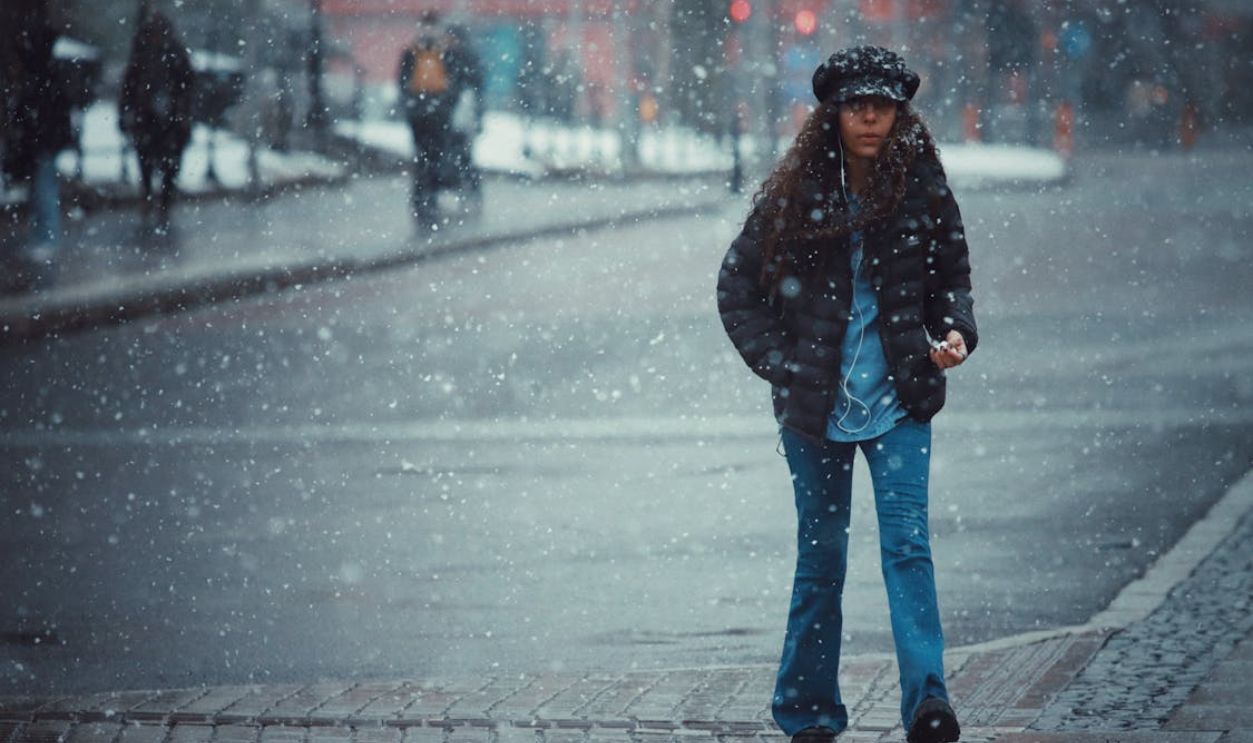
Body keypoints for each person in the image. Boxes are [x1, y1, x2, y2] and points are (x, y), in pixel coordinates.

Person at [716, 46, 977, 743]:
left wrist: (955, 332)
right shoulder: (797, 194)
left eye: (881, 106)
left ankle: (928, 703)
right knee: (821, 560)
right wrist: (782, 364)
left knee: (908, 549)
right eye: (856, 105)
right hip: (814, 411)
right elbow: (736, 286)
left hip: (900, 402)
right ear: (832, 113)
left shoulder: (921, 188)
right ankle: (808, 712)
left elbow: (952, 278)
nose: (868, 117)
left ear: (899, 114)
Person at [3, 18, 73, 270]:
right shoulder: (45, 74)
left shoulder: (40, 76)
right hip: (41, 142)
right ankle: (43, 237)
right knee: (41, 190)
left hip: (40, 143)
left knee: (43, 190)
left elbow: (45, 111)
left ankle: (46, 238)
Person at [119, 10, 194, 231]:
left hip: (159, 119)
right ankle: (159, 200)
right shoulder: (165, 52)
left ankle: (155, 199)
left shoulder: (153, 52)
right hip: (156, 119)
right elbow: (130, 84)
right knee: (160, 162)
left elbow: (129, 84)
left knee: (154, 162)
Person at [398, 11, 455, 226]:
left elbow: (454, 82)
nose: (428, 31)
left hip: (438, 114)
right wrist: (413, 105)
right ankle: (421, 198)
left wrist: (444, 105)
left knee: (436, 156)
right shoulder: (411, 53)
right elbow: (403, 81)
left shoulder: (445, 53)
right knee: (423, 156)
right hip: (420, 114)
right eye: (426, 26)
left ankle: (431, 198)